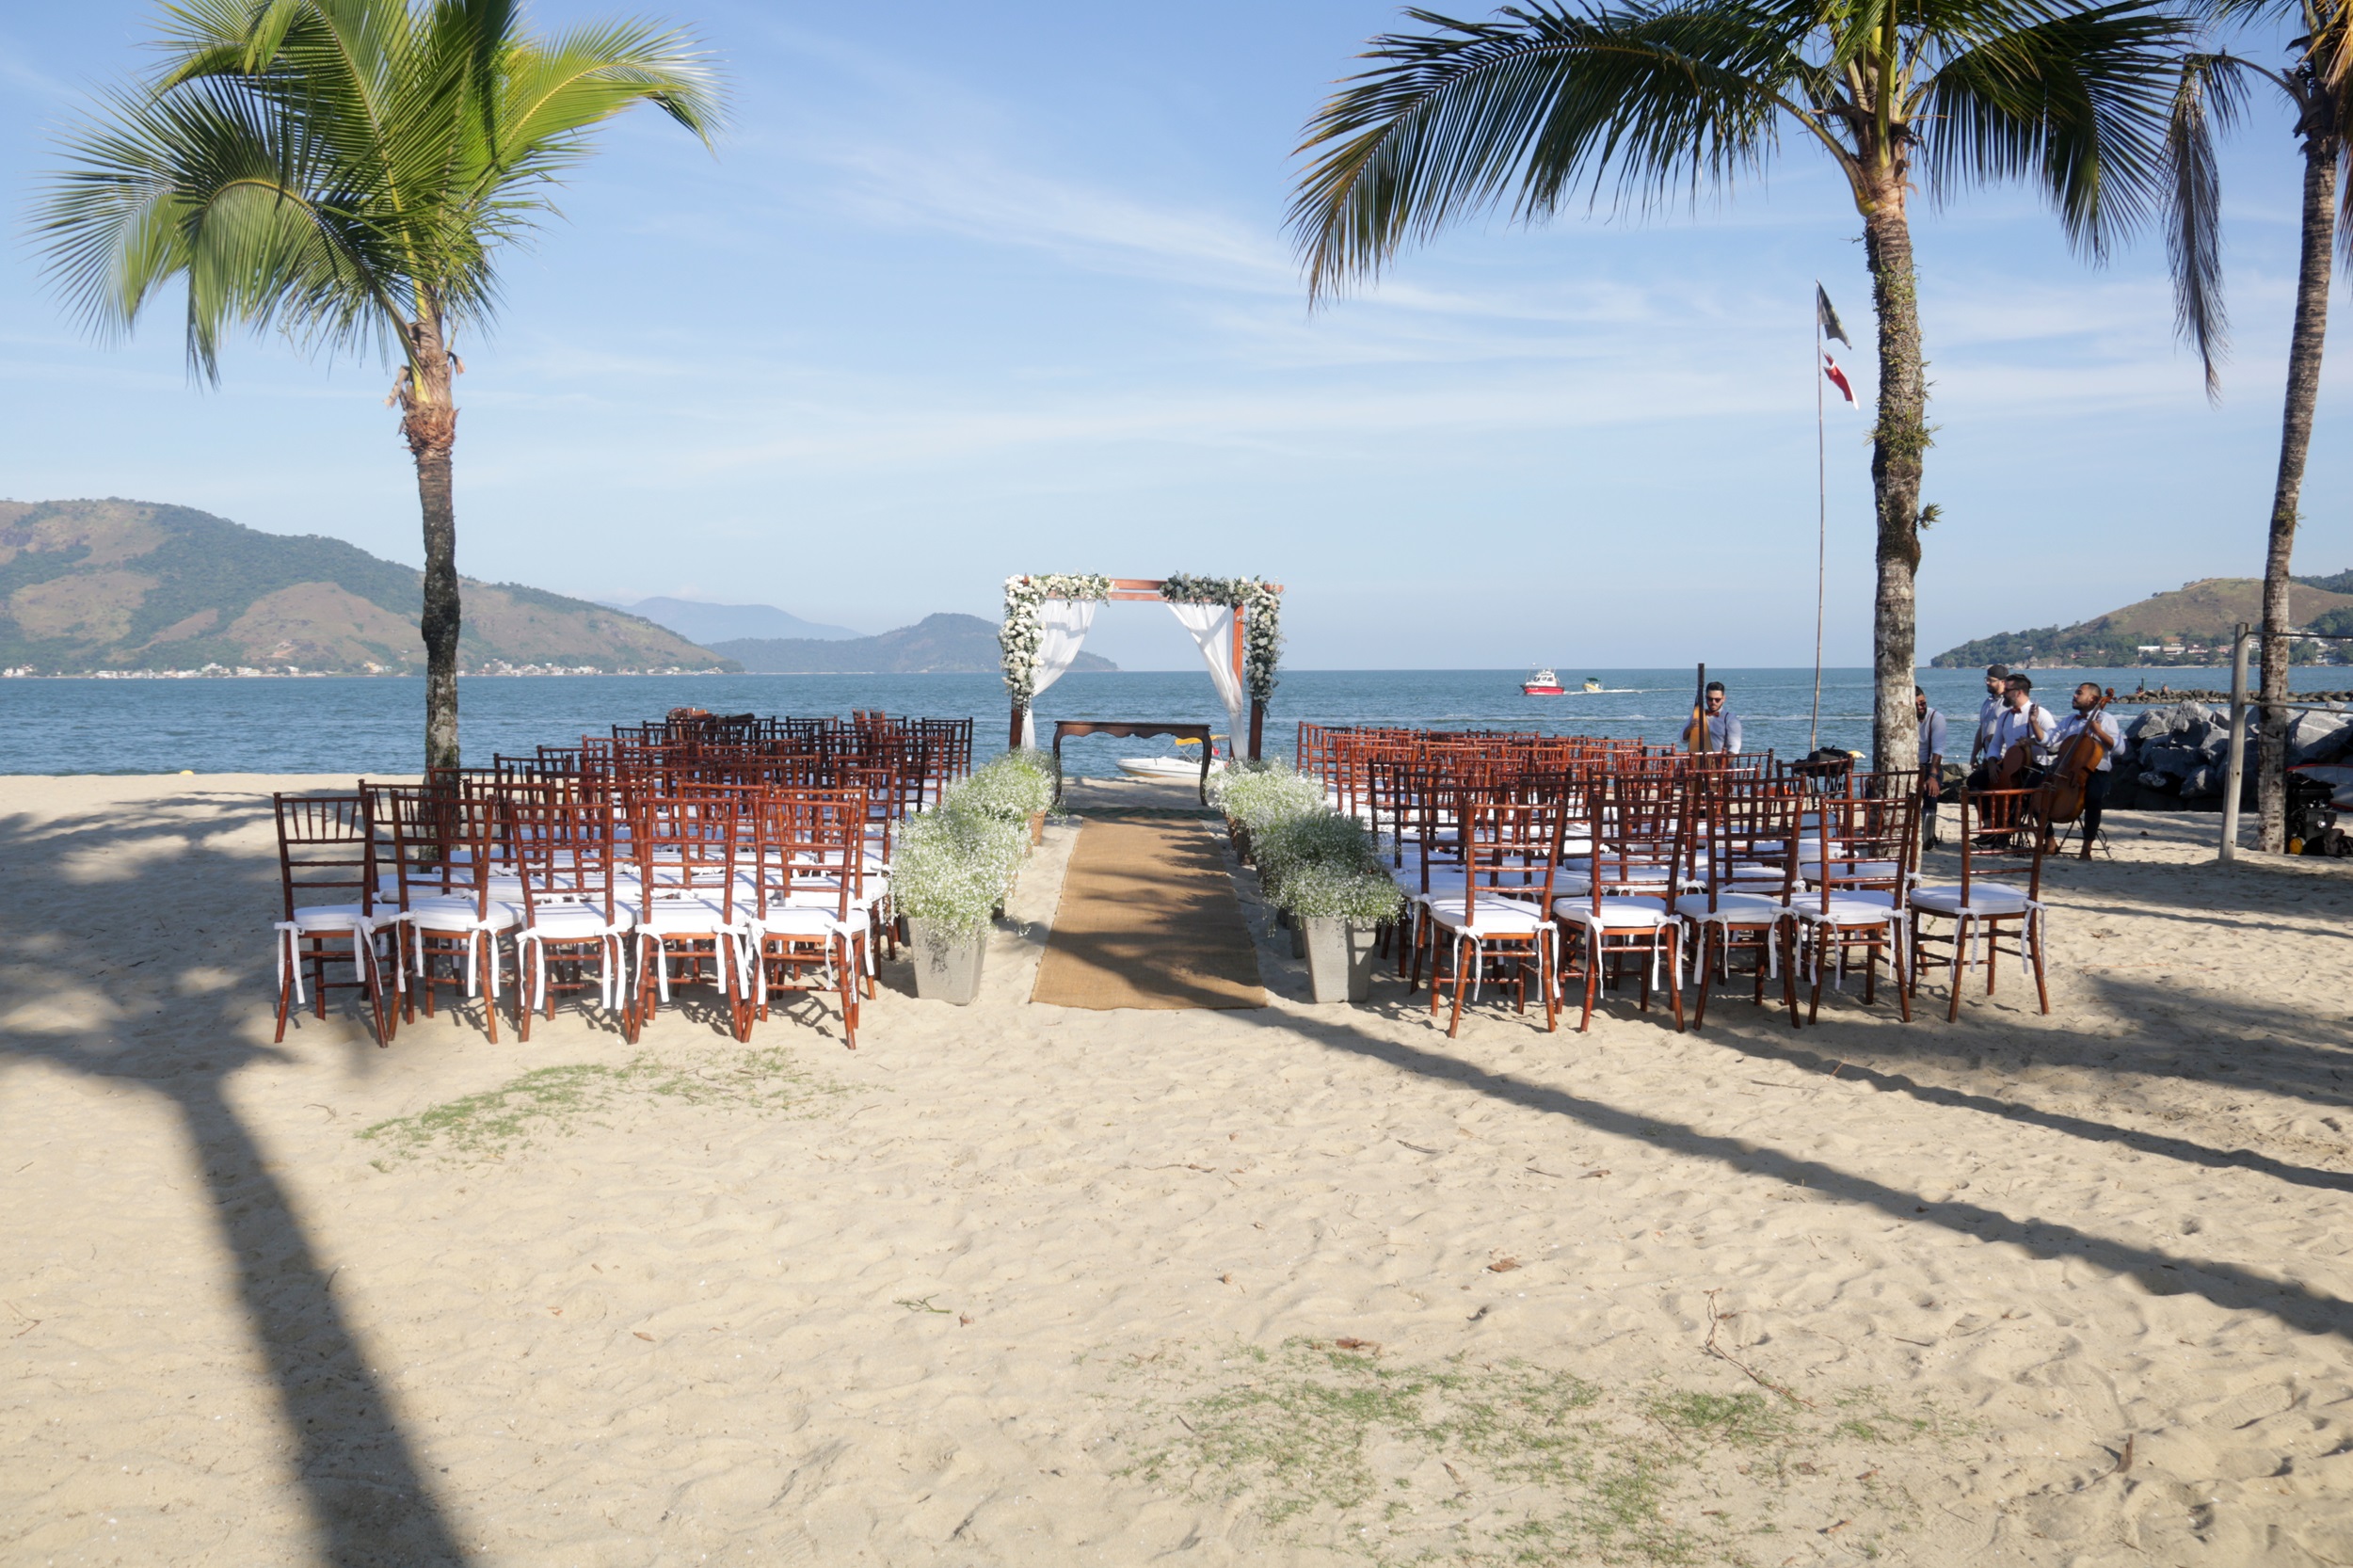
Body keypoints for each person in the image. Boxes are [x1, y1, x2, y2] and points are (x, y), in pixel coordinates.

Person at [2049, 682, 2122, 858]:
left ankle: (2086, 848)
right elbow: (2050, 743)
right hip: (2068, 772)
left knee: (2093, 798)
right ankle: (2050, 842)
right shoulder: (2070, 720)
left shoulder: (2105, 719)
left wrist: (2098, 731)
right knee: (2039, 794)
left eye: (2079, 693)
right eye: (2075, 692)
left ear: (2093, 699)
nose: (2074, 696)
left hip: (2097, 771)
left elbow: (2119, 749)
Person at [1971, 675, 2057, 789]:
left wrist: (2033, 741)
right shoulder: (2004, 716)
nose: (2003, 693)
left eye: (2007, 690)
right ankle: (1991, 807)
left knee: (2027, 793)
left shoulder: (2041, 714)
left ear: (2019, 693)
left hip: (2036, 767)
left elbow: (2055, 744)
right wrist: (1991, 762)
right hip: (2011, 765)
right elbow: (1995, 744)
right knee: (1974, 781)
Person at [1915, 685, 1948, 847]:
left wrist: (1933, 776)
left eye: (1923, 703)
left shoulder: (1936, 718)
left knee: (1931, 792)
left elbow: (1938, 750)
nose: (1921, 707)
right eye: (1917, 705)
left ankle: (1928, 837)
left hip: (1929, 765)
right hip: (1910, 765)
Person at [1967, 664, 2009, 768]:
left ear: (2003, 682)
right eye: (1986, 679)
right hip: (1988, 757)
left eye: (1991, 680)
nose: (1987, 683)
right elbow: (1982, 729)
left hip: (2003, 758)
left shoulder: (2009, 703)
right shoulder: (1987, 702)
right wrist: (1974, 754)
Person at [1683, 680, 1743, 754]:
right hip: (1698, 760)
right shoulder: (1697, 715)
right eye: (1710, 699)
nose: (1713, 702)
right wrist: (1689, 728)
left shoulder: (1730, 719)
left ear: (1723, 699)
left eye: (1717, 700)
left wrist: (1724, 763)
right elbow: (1682, 739)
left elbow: (1734, 747)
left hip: (1721, 760)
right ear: (1705, 698)